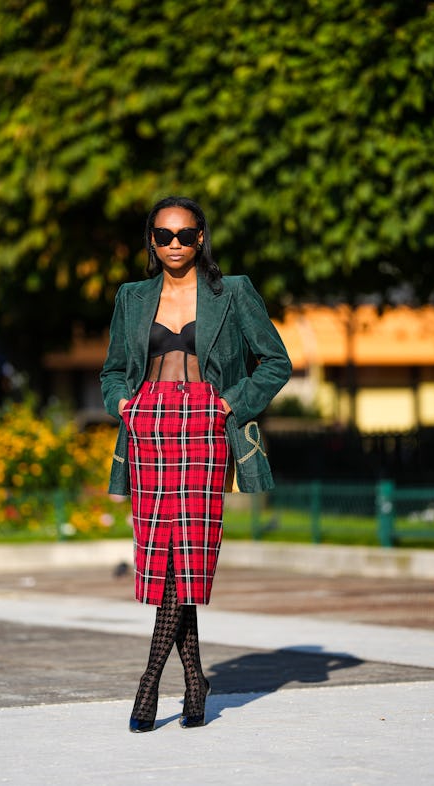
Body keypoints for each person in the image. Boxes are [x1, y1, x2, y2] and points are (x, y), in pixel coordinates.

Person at [100, 196, 291, 732]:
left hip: (205, 427)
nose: (175, 244)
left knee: (190, 556)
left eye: (185, 234)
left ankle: (147, 683)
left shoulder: (233, 292)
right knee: (161, 558)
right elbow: (113, 369)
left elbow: (276, 361)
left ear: (202, 237)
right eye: (164, 235)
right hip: (149, 429)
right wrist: (122, 403)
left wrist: (231, 403)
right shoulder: (133, 297)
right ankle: (195, 682)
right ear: (151, 241)